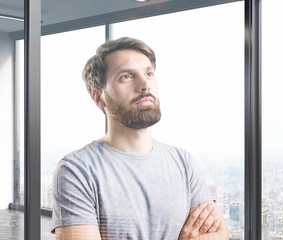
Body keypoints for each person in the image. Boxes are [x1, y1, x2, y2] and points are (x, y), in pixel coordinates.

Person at [51, 37, 229, 240]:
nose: (145, 84)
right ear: (99, 98)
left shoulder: (183, 162)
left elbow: (220, 235)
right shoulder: (77, 170)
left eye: (149, 73)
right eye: (126, 76)